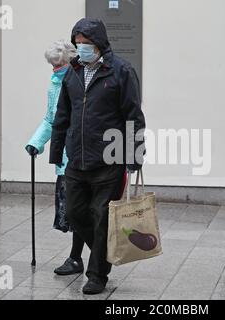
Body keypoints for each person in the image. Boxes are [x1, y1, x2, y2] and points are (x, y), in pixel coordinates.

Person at [49, 18, 146, 295]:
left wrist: (134, 155)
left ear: (100, 44)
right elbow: (62, 115)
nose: (81, 49)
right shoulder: (73, 72)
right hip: (76, 160)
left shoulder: (121, 71)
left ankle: (97, 275)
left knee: (101, 216)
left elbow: (133, 117)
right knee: (76, 214)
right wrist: (57, 151)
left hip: (109, 160)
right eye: (77, 44)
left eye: (86, 44)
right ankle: (105, 254)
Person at [25, 40, 77, 232]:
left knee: (79, 214)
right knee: (69, 216)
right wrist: (35, 142)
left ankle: (78, 257)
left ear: (70, 62)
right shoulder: (54, 85)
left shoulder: (78, 83)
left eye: (58, 65)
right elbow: (50, 119)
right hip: (63, 161)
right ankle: (75, 258)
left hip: (79, 158)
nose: (55, 69)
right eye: (52, 65)